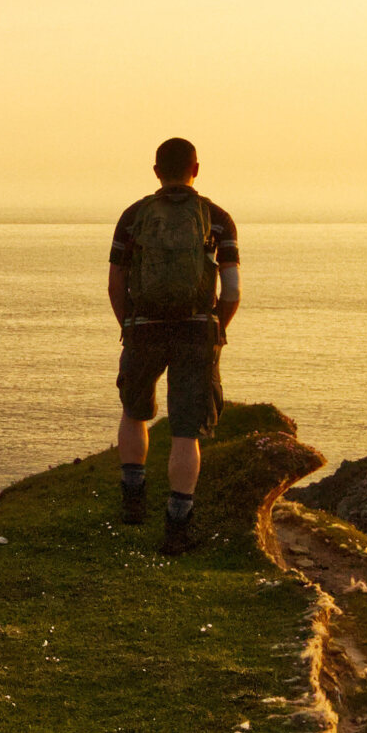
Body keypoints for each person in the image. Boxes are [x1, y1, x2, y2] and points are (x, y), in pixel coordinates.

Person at [107, 137, 240, 554]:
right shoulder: (217, 219)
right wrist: (218, 326)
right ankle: (177, 524)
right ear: (196, 169)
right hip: (196, 331)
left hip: (144, 328)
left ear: (156, 171)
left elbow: (115, 284)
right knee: (186, 430)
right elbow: (232, 288)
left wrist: (129, 324)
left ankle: (133, 501)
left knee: (134, 410)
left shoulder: (133, 217)